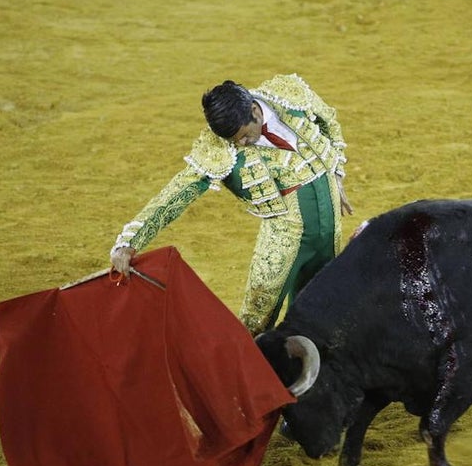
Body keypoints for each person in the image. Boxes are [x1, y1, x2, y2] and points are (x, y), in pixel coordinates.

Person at [109, 74, 352, 334]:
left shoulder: (288, 95)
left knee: (322, 303)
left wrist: (336, 173)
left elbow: (327, 120)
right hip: (286, 234)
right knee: (257, 313)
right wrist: (130, 241)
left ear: (255, 111)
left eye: (244, 136)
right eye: (235, 140)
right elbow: (178, 191)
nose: (241, 143)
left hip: (330, 222)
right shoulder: (218, 149)